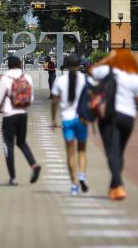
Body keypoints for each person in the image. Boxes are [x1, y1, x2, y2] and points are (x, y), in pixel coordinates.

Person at [90, 49, 138, 201]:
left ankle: (118, 184)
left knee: (111, 152)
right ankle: (114, 187)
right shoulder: (135, 76)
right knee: (119, 151)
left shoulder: (107, 70)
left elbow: (92, 71)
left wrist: (107, 59)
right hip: (128, 117)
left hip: (110, 115)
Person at [0, 56, 41, 186]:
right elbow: (31, 98)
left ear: (9, 65)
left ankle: (13, 177)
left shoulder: (5, 79)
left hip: (9, 116)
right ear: (20, 64)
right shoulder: (27, 77)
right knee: (22, 142)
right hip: (23, 115)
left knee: (8, 145)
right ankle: (33, 165)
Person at [51, 54, 89, 195]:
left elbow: (54, 101)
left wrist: (53, 119)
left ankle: (74, 184)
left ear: (65, 66)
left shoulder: (60, 81)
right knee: (82, 151)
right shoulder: (85, 79)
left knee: (70, 153)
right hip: (82, 119)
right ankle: (82, 175)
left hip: (67, 119)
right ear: (79, 65)